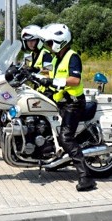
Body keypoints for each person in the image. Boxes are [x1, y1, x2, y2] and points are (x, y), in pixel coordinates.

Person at [38, 23, 97, 192]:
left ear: (59, 41)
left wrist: (53, 81)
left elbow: (74, 80)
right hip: (62, 101)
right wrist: (33, 75)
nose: (48, 46)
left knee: (66, 137)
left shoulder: (72, 57)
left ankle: (86, 177)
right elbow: (47, 73)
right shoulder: (57, 58)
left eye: (50, 43)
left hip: (74, 103)